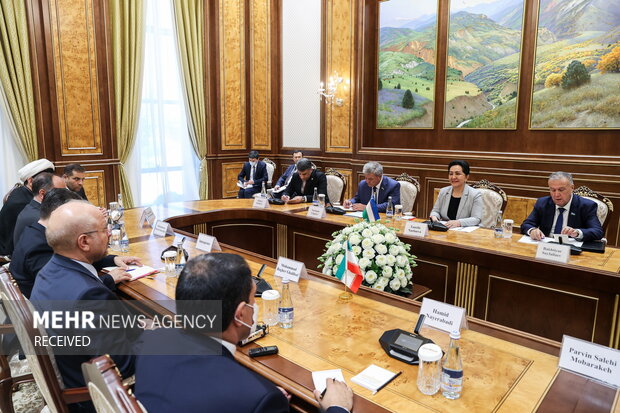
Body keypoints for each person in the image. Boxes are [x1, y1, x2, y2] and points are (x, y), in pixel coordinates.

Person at [135, 253, 353, 413]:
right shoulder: (258, 400)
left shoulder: (153, 339)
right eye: (252, 300)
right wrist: (337, 408)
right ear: (240, 315)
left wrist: (253, 388)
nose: (254, 307)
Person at [30, 201, 140, 395]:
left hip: (73, 369)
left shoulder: (48, 271)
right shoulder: (88, 296)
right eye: (104, 229)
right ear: (84, 242)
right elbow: (121, 366)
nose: (109, 233)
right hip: (91, 393)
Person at [11, 189, 137, 298]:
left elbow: (76, 258)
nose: (109, 233)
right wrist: (108, 279)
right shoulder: (91, 294)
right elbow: (68, 289)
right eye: (104, 229)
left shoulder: (40, 236)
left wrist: (113, 259)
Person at [521, 171, 604, 242]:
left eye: (561, 190)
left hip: (571, 250)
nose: (556, 194)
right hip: (545, 248)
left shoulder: (586, 206)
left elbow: (597, 232)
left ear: (572, 188)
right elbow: (526, 224)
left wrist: (577, 232)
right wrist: (532, 230)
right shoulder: (542, 203)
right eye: (553, 190)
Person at [0, 158, 55, 256]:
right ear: (30, 181)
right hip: (11, 254)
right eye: (45, 180)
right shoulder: (22, 202)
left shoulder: (25, 192)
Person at [13, 172, 66, 246]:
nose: (66, 197)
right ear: (42, 194)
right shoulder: (39, 218)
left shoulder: (34, 208)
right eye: (60, 193)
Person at [429, 160, 483, 228]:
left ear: (466, 177)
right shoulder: (443, 191)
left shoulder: (475, 194)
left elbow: (476, 219)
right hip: (444, 231)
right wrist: (434, 217)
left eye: (457, 173)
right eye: (451, 174)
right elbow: (435, 211)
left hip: (465, 234)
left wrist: (458, 222)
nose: (453, 177)